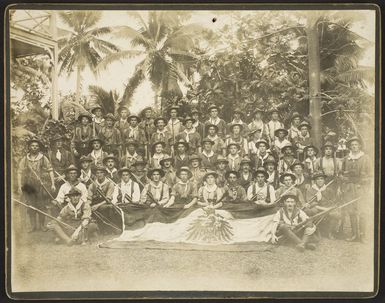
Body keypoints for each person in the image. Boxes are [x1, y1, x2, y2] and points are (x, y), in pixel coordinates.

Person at [17, 138, 56, 232]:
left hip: (40, 186)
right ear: (29, 147)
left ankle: (42, 225)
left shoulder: (43, 158)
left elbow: (50, 170)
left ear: (39, 148)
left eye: (36, 146)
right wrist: (19, 186)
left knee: (41, 206)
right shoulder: (25, 159)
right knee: (31, 206)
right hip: (29, 186)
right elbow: (19, 172)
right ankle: (33, 226)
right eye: (32, 146)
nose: (34, 147)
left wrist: (53, 184)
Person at [340, 136, 371, 242]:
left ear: (360, 146)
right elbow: (340, 173)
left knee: (362, 211)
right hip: (349, 188)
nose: (354, 147)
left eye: (356, 144)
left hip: (361, 188)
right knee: (351, 211)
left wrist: (365, 185)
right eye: (352, 145)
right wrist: (344, 180)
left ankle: (362, 235)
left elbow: (371, 175)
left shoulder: (365, 158)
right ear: (349, 147)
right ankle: (354, 234)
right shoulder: (346, 159)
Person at [304, 172, 339, 239]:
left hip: (327, 207)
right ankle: (315, 231)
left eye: (321, 179)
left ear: (324, 180)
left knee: (335, 213)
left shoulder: (328, 189)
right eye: (318, 179)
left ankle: (330, 232)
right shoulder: (310, 190)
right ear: (315, 181)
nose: (320, 181)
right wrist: (324, 209)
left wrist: (331, 207)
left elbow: (333, 200)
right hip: (316, 208)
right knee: (311, 212)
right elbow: (311, 203)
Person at [87, 165, 115, 231]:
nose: (99, 175)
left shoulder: (110, 184)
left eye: (101, 172)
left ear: (104, 173)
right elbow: (89, 199)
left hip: (105, 204)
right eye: (97, 173)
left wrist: (97, 206)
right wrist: (88, 206)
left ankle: (108, 228)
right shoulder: (92, 185)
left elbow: (108, 199)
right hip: (94, 204)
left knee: (107, 208)